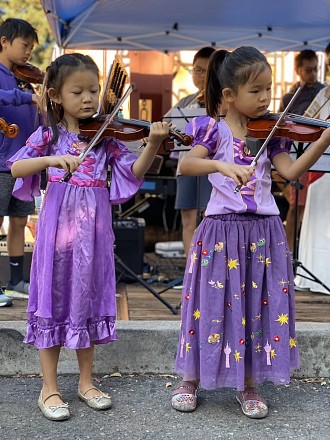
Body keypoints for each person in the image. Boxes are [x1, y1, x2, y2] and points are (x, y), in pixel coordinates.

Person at [8, 52, 170, 421]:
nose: (88, 98)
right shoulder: (49, 134)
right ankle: (49, 387)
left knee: (89, 296)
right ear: (55, 95)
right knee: (52, 296)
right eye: (78, 91)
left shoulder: (106, 139)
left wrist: (153, 144)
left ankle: (85, 381)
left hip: (95, 231)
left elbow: (132, 174)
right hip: (57, 229)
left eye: (94, 91)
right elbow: (17, 166)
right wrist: (49, 160)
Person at [170, 46, 330, 418]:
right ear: (229, 95)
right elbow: (188, 165)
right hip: (221, 232)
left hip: (263, 232)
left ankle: (249, 384)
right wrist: (222, 167)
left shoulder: (273, 133)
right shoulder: (212, 128)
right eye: (255, 91)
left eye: (268, 90)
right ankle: (190, 378)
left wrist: (322, 141)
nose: (264, 99)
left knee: (257, 309)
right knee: (206, 309)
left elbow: (289, 173)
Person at [0, 18, 40, 306]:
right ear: (4, 41)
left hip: (24, 159)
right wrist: (25, 97)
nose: (28, 52)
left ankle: (16, 281)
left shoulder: (23, 75)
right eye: (24, 45)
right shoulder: (10, 81)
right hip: (2, 161)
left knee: (19, 220)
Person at [278, 49, 325, 252]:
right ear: (298, 70)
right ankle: (287, 254)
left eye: (316, 69)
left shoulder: (324, 93)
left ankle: (308, 251)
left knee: (312, 208)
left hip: (319, 153)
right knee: (295, 209)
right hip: (298, 155)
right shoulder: (290, 97)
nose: (313, 74)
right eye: (308, 70)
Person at [172, 47, 215, 258]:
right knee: (188, 218)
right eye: (197, 70)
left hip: (212, 167)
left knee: (211, 217)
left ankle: (208, 265)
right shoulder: (184, 103)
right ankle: (190, 267)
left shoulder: (221, 103)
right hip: (186, 166)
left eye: (206, 70)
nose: (201, 75)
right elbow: (171, 128)